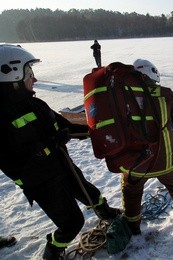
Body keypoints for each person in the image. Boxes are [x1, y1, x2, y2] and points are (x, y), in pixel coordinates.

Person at [0, 44, 120, 260]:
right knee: (72, 223)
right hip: (40, 181)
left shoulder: (35, 103)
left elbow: (65, 126)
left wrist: (94, 132)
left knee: (87, 191)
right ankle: (53, 251)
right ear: (12, 77)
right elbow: (14, 162)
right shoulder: (1, 116)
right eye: (29, 73)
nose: (34, 79)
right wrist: (50, 145)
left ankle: (105, 211)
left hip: (60, 164)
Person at [120, 59, 173, 235]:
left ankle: (133, 226)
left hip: (135, 163)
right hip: (166, 160)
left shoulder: (122, 97)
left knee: (131, 192)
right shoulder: (166, 94)